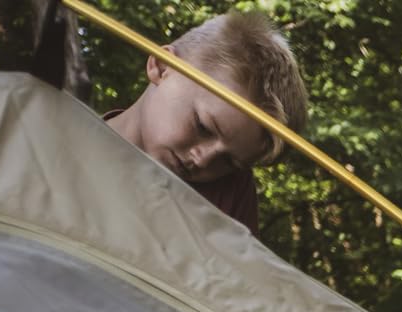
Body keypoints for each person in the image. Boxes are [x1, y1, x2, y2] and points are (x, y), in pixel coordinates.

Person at [104, 11, 307, 236]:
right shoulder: (63, 134)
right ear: (162, 66)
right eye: (203, 127)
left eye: (228, 161)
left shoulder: (227, 198)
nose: (202, 159)